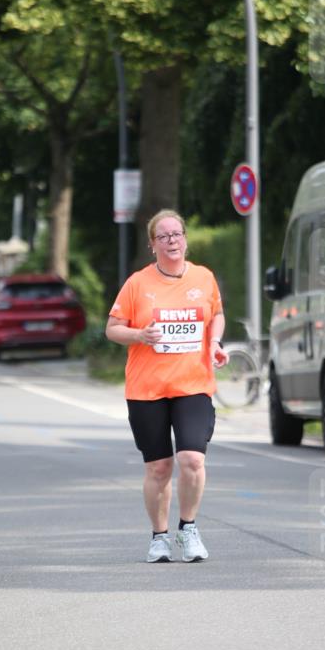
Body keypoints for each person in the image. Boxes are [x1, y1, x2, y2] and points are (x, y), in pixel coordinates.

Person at [106, 209, 229, 563]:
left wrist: (215, 343)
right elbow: (112, 328)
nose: (172, 241)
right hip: (147, 389)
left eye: (177, 234)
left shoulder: (203, 278)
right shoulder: (137, 284)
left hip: (193, 384)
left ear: (186, 239)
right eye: (164, 236)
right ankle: (159, 537)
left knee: (191, 458)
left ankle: (188, 529)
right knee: (158, 468)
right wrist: (139, 335)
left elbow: (216, 314)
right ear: (152, 245)